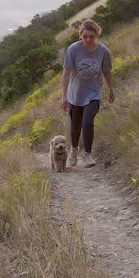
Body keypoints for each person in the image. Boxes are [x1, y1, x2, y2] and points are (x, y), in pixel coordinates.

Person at [59, 19, 114, 168]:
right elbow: (66, 74)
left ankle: (88, 154)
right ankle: (74, 151)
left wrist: (111, 90)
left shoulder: (103, 51)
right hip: (75, 94)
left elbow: (107, 72)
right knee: (75, 126)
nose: (88, 39)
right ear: (80, 36)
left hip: (94, 93)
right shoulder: (73, 49)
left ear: (97, 35)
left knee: (87, 123)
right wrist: (64, 97)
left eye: (92, 36)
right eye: (85, 37)